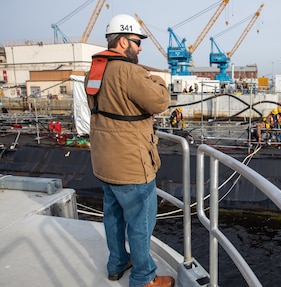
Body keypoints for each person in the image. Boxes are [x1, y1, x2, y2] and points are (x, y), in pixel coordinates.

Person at [85, 14, 174, 287]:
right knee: (140, 221)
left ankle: (117, 263)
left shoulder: (95, 69)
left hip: (104, 159)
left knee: (113, 214)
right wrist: (157, 78)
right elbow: (160, 101)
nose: (141, 47)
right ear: (123, 42)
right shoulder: (131, 72)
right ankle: (144, 278)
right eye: (137, 42)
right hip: (130, 162)